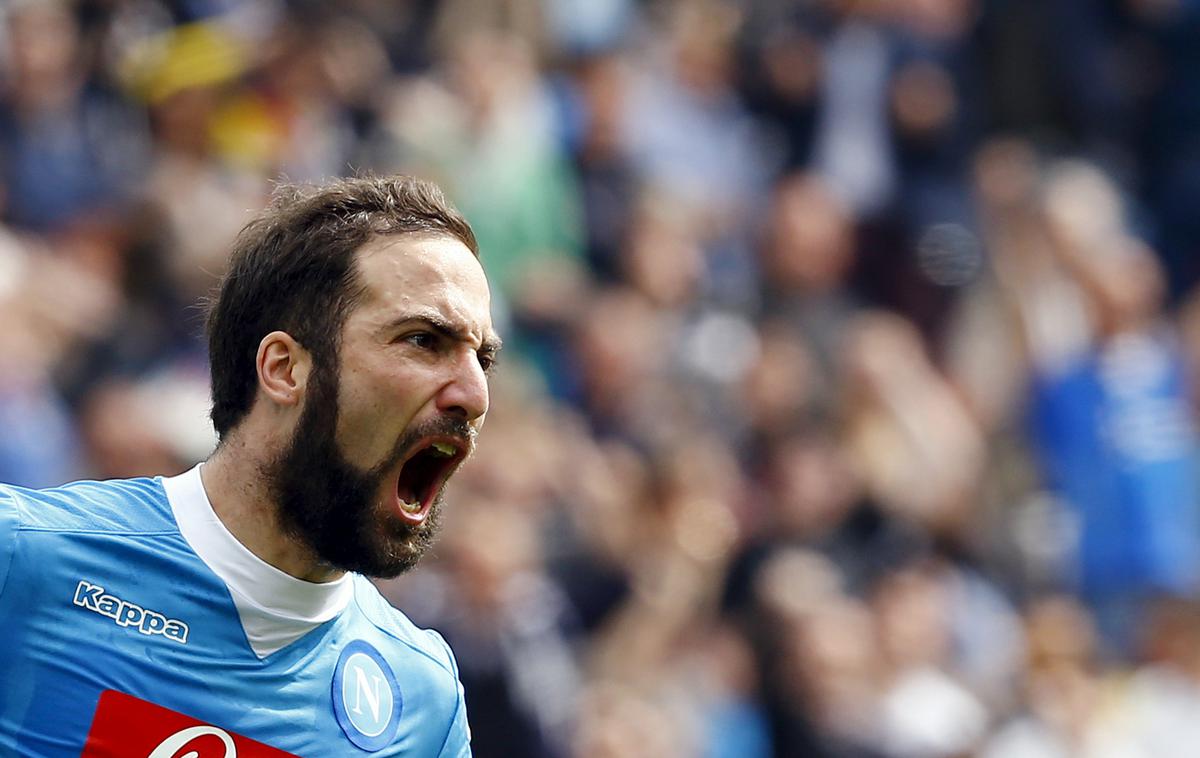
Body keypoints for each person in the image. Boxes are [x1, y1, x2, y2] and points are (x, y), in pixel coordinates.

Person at [0, 175, 502, 756]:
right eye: (422, 340)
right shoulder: (28, 559)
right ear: (284, 369)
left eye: (482, 357)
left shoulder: (422, 700)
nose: (475, 392)